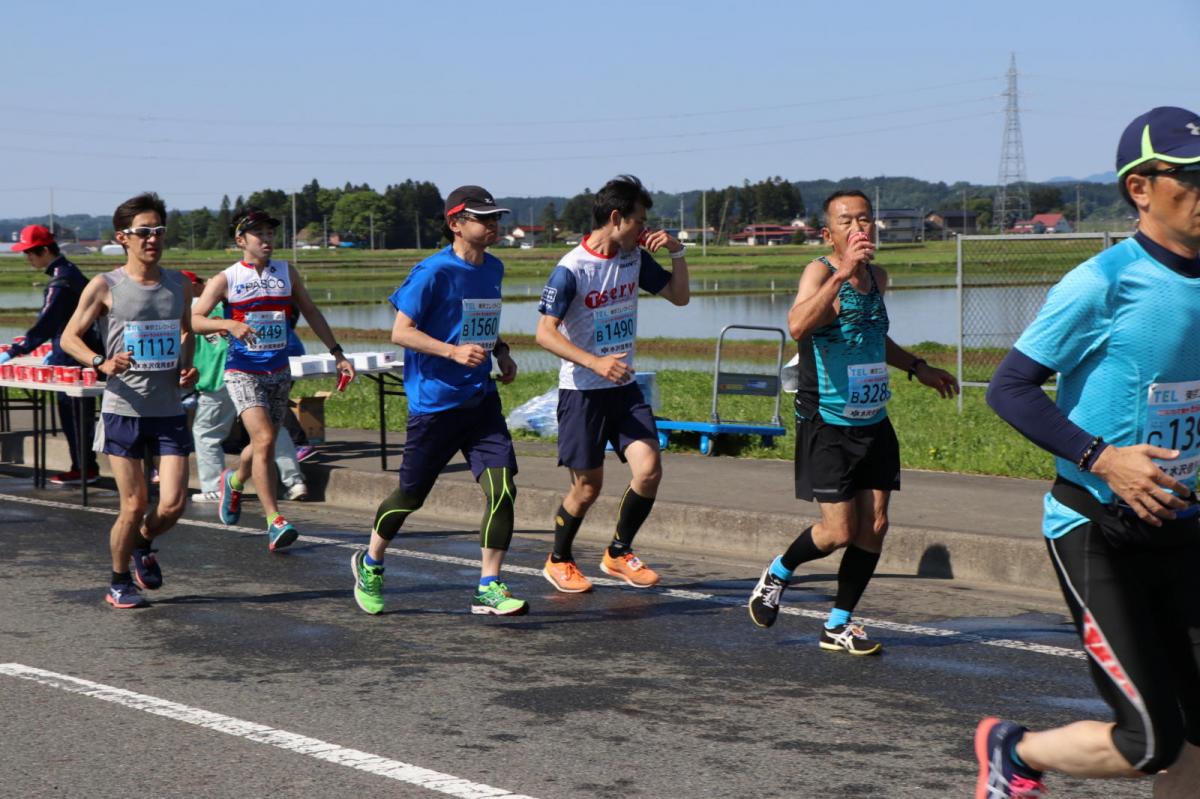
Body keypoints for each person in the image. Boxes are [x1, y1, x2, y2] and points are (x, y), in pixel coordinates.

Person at [973, 106, 1200, 798]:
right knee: (1150, 738)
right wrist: (1101, 456)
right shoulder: (1103, 281)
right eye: (1190, 176)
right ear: (1141, 188)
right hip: (1098, 530)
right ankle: (1015, 751)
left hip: (1183, 528)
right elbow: (1009, 388)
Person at [746, 190, 957, 654]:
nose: (859, 228)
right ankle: (778, 571)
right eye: (847, 222)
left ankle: (837, 624)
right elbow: (799, 326)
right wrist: (840, 275)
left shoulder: (879, 277)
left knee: (875, 525)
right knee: (839, 532)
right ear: (829, 233)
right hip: (828, 421)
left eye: (865, 219)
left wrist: (918, 367)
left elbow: (871, 337)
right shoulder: (820, 271)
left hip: (873, 419)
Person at [350, 185, 525, 617]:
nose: (493, 226)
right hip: (435, 405)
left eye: (495, 218)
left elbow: (479, 325)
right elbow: (400, 332)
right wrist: (451, 352)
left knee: (502, 489)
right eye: (483, 219)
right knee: (410, 496)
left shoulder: (494, 268)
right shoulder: (433, 272)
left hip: (480, 401)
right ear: (456, 223)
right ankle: (371, 562)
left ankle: (489, 585)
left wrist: (500, 353)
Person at [534, 175, 690, 593]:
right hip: (582, 392)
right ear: (616, 217)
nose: (645, 229)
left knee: (650, 469)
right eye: (640, 221)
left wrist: (678, 253)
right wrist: (594, 363)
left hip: (624, 389)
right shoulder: (571, 269)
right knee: (587, 488)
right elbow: (544, 333)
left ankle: (618, 552)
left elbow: (679, 296)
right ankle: (559, 560)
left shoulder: (633, 257)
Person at [59, 192, 197, 609]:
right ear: (123, 237)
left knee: (172, 505)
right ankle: (119, 581)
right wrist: (101, 362)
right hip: (125, 410)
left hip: (169, 408)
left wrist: (186, 366)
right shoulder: (106, 286)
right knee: (134, 503)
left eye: (158, 231)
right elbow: (69, 338)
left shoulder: (180, 284)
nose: (152, 239)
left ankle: (141, 543)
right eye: (143, 232)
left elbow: (186, 332)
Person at [191, 207, 352, 550]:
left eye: (270, 233)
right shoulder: (227, 278)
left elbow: (311, 311)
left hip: (278, 371)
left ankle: (234, 481)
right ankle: (274, 520)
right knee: (264, 437)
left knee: (263, 441)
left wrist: (338, 353)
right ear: (240, 240)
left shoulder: (286, 272)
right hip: (242, 372)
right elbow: (194, 319)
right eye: (258, 234)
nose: (267, 240)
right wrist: (228, 324)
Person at [184, 270, 308, 504]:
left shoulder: (201, 313)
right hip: (256, 373)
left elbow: (195, 342)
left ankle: (214, 488)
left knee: (207, 432)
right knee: (271, 429)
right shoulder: (237, 307)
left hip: (224, 379)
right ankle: (294, 481)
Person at [0, 224, 102, 485]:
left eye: (30, 253)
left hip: (74, 357)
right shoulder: (68, 273)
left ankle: (84, 469)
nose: (28, 258)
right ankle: (81, 466)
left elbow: (46, 323)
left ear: (44, 250)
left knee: (75, 414)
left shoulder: (62, 281)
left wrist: (15, 350)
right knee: (73, 414)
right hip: (72, 353)